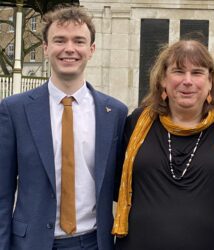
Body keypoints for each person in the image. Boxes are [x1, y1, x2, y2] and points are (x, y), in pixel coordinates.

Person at [0, 6, 127, 250]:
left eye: (79, 41)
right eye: (59, 40)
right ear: (46, 48)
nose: (69, 48)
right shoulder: (14, 110)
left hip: (94, 242)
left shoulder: (115, 113)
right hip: (31, 243)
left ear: (91, 50)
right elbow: (2, 193)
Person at [112, 39, 214, 250]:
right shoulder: (137, 124)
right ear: (163, 81)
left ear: (210, 82)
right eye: (178, 71)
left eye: (197, 73)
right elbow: (113, 183)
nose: (187, 81)